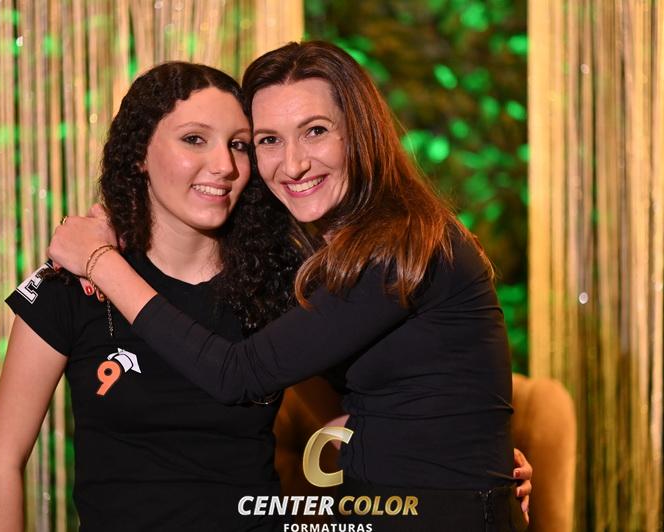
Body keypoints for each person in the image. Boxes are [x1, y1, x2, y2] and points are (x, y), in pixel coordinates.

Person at [49, 42, 531, 530]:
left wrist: (99, 262)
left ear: (359, 132)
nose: (293, 164)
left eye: (315, 131)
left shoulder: (402, 244)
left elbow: (238, 376)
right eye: (268, 141)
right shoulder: (325, 253)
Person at [0, 61, 307, 531]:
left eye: (238, 144)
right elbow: (1, 461)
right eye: (194, 139)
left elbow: (355, 409)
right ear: (139, 155)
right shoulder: (68, 282)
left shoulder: (277, 282)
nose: (225, 165)